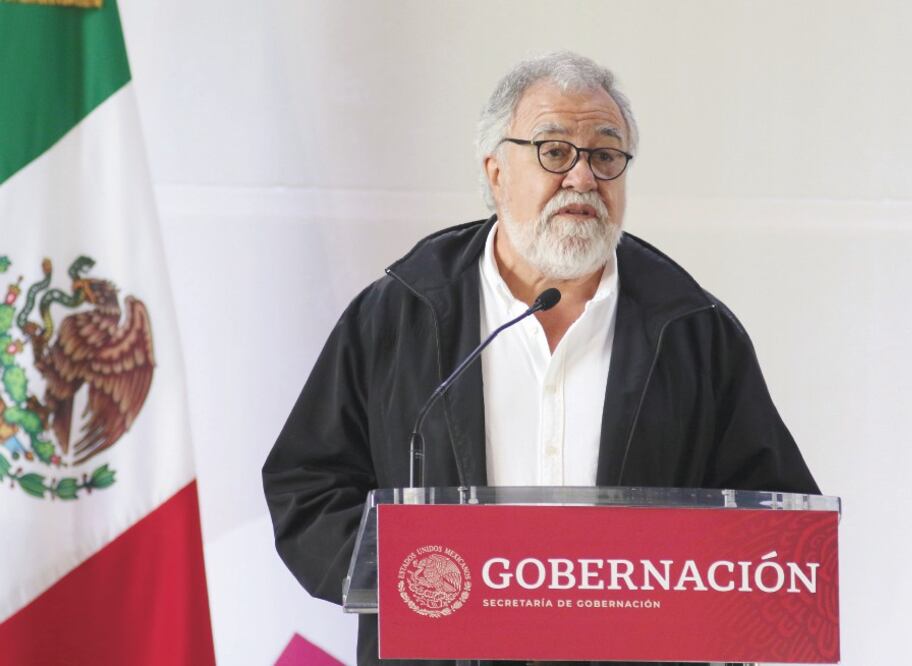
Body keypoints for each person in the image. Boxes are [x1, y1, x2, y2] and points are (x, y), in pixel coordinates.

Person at [263, 51, 819, 665]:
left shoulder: (693, 332)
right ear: (496, 171)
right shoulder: (402, 314)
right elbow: (307, 488)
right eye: (554, 151)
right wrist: (419, 578)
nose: (583, 179)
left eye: (606, 155)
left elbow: (776, 532)